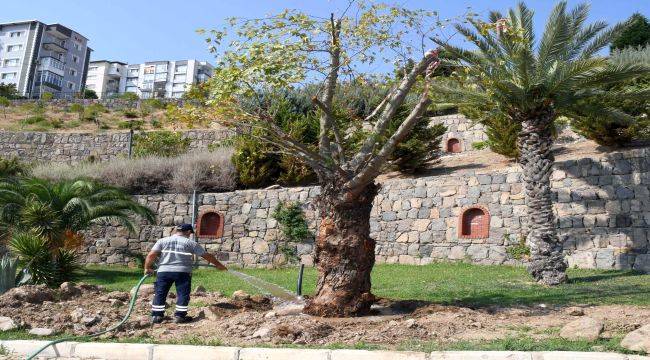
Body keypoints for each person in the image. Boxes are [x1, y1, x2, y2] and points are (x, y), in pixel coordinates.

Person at [144, 223, 227, 324]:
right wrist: (218, 265)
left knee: (160, 292)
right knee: (183, 294)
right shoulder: (190, 243)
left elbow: (152, 254)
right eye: (190, 233)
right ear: (188, 232)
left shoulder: (162, 241)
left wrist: (147, 268)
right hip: (182, 272)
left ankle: (157, 316)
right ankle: (179, 316)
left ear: (177, 231)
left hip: (164, 271)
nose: (190, 235)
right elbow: (206, 255)